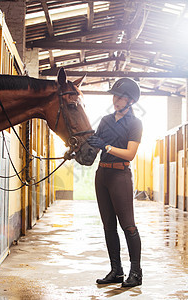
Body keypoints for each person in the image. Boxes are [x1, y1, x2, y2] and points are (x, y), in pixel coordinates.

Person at [87, 78, 143, 288]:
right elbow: (95, 145)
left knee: (128, 225)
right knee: (108, 225)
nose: (116, 100)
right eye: (115, 96)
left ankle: (136, 273)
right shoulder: (105, 120)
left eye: (120, 97)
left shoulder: (135, 123)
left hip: (120, 176)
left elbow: (130, 153)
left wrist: (106, 146)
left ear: (130, 101)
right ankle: (116, 270)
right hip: (102, 175)